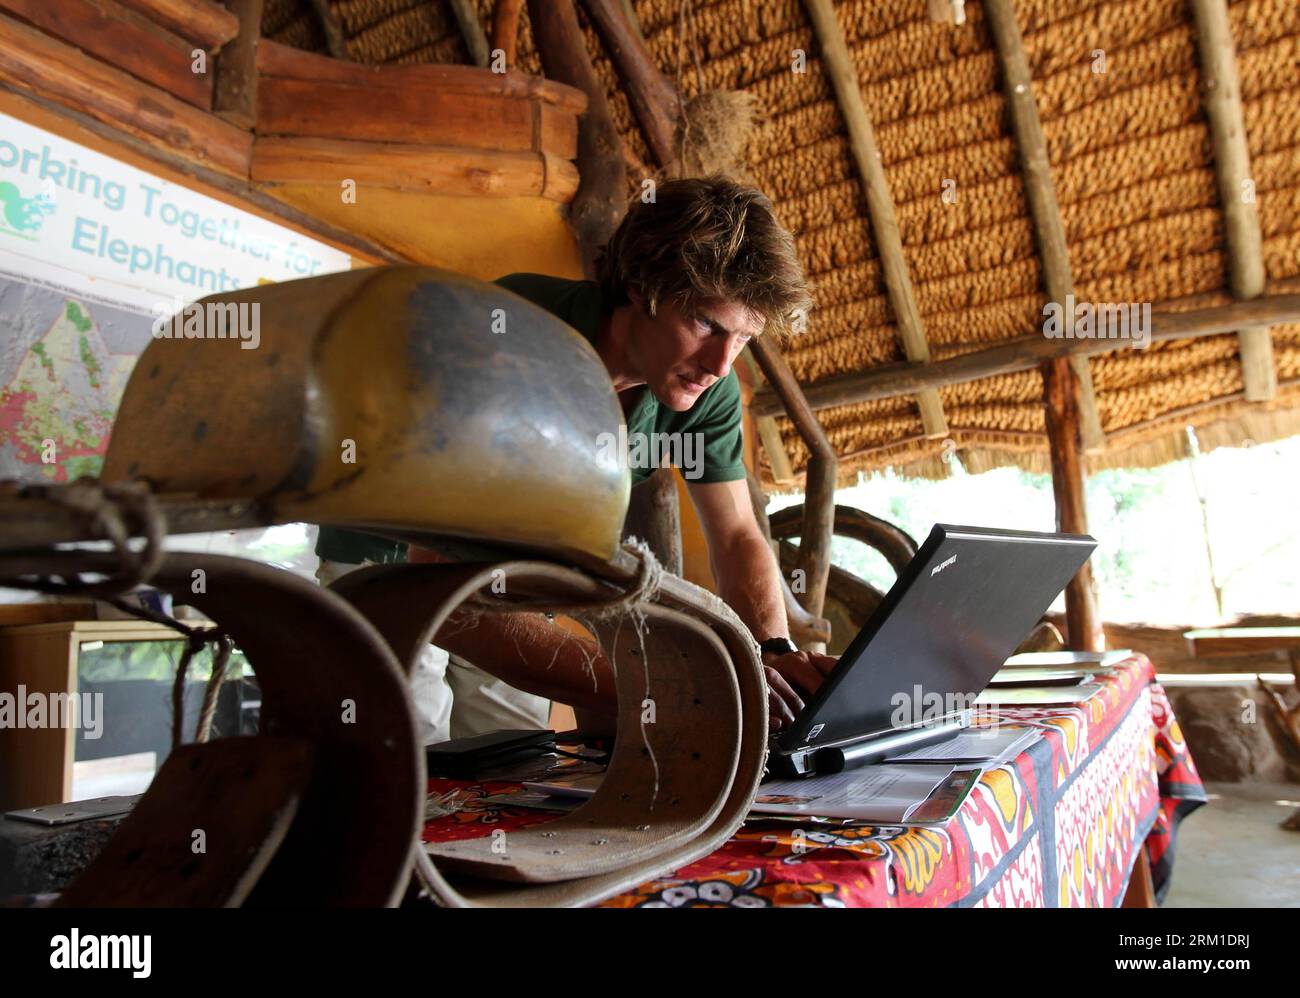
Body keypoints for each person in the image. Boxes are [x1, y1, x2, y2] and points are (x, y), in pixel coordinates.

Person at [316, 175, 834, 736]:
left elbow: (736, 536)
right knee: (401, 762)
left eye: (744, 337)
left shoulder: (707, 391)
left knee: (513, 763)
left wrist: (774, 654)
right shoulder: (515, 332)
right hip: (388, 562)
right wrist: (674, 692)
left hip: (512, 574)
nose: (718, 365)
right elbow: (438, 582)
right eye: (705, 323)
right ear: (642, 286)